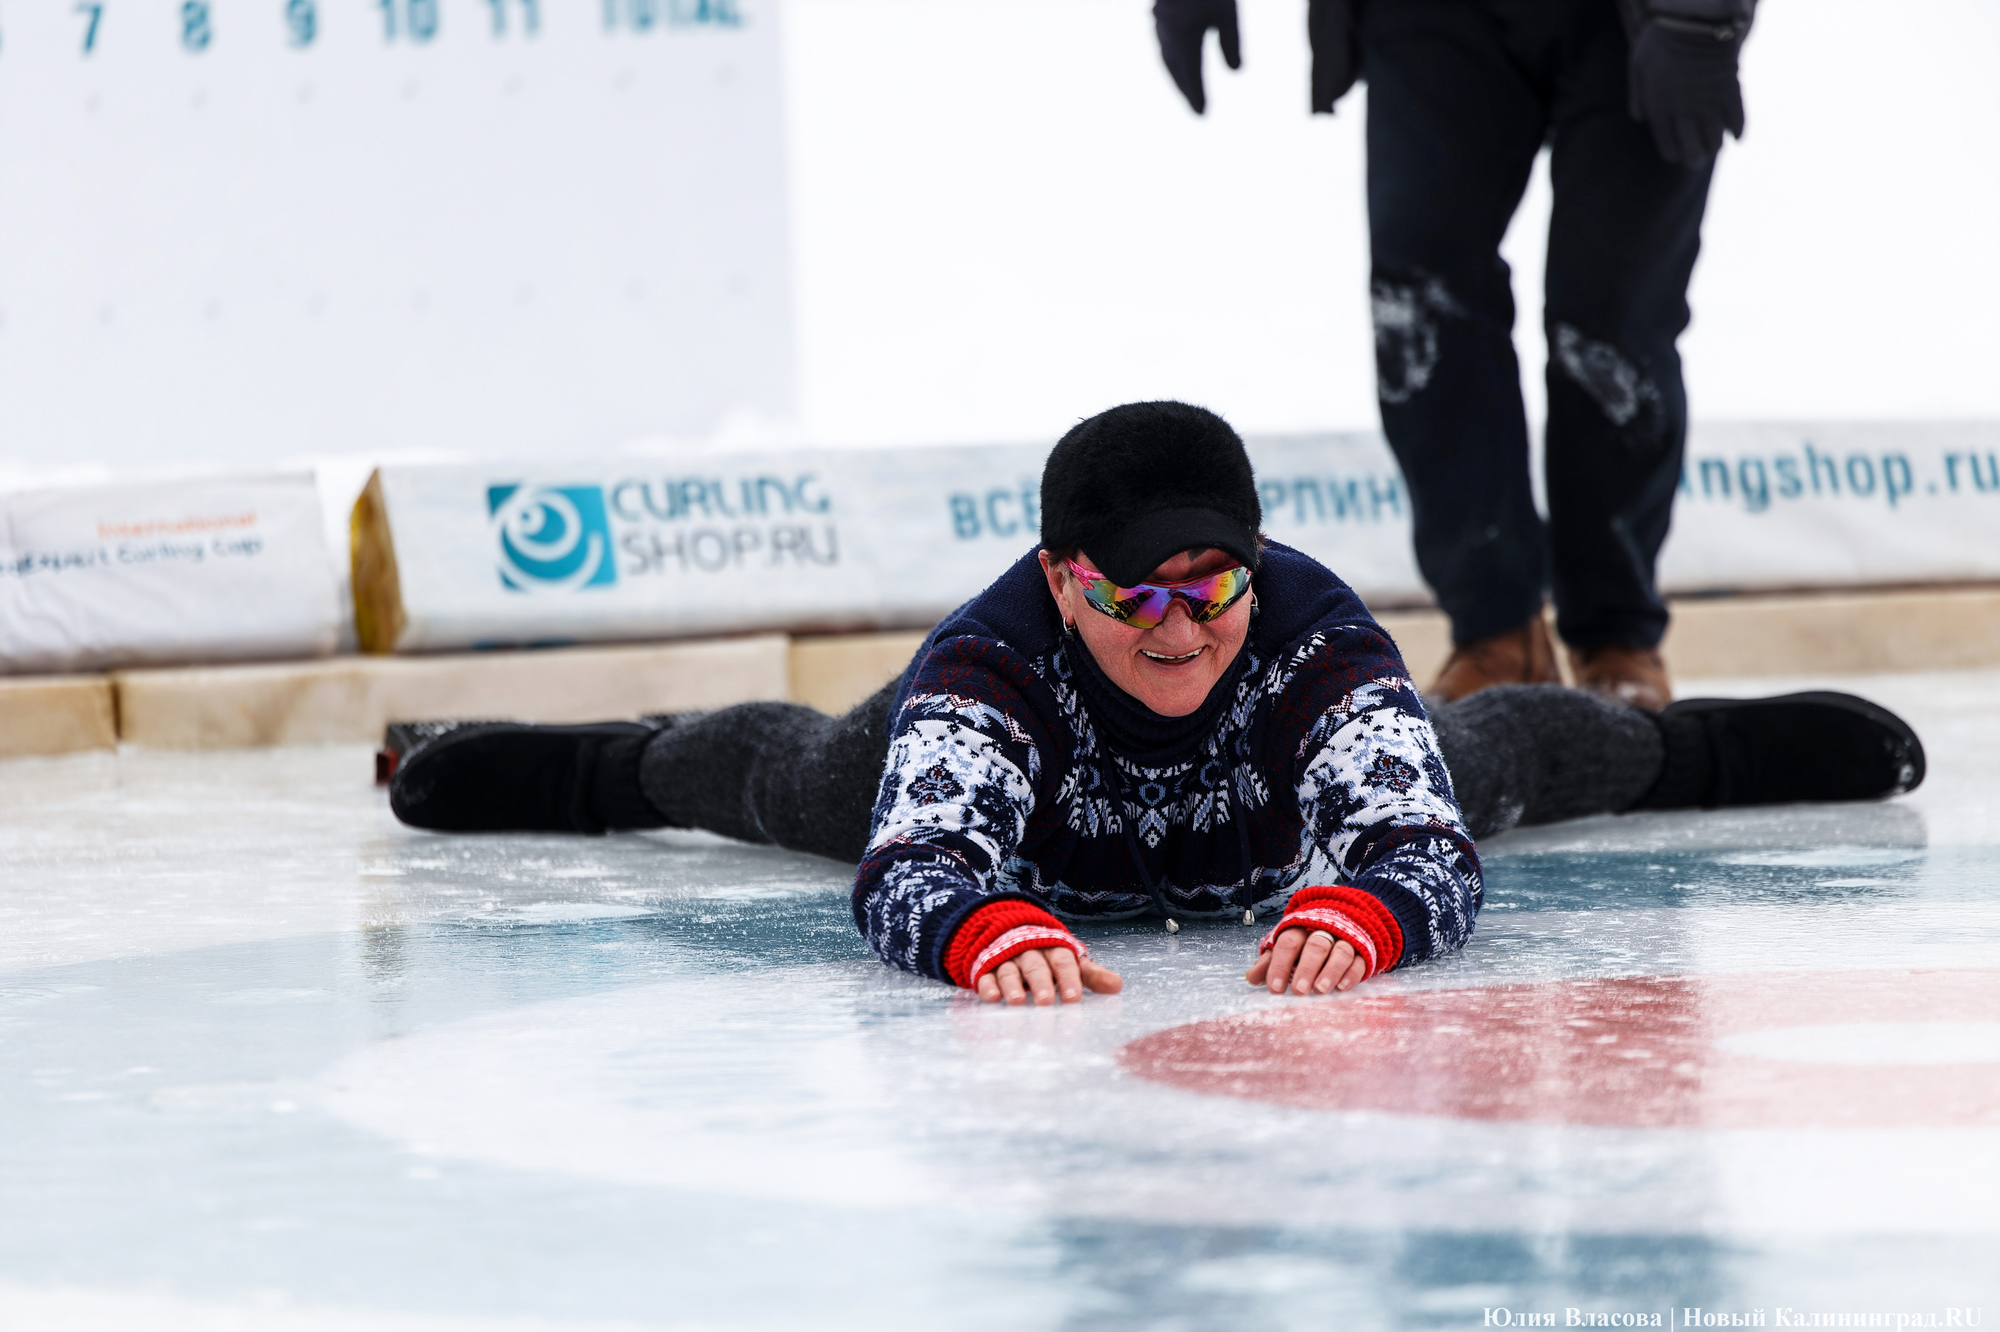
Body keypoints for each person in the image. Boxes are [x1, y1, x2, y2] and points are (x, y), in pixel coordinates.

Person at [389, 402, 1923, 1006]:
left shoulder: (1308, 639)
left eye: (1215, 585)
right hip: (1037, 832)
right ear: (1065, 582)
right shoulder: (988, 669)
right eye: (1139, 593)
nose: (1185, 629)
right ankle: (581, 764)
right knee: (792, 782)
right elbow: (912, 869)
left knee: (1499, 753)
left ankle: (1712, 739)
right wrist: (976, 923)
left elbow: (1423, 845)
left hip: (1266, 820)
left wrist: (1379, 911)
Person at [1150, 0, 1756, 710]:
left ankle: (1618, 635)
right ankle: (1497, 633)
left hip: (1630, 20)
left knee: (1612, 325)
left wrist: (1698, 20)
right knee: (1422, 307)